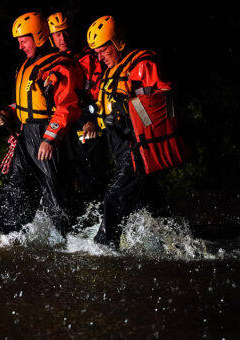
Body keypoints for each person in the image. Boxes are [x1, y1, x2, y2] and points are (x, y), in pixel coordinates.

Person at [83, 15, 175, 248]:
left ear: (118, 43)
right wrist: (90, 121)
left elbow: (165, 101)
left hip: (139, 146)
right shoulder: (111, 73)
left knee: (114, 197)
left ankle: (103, 248)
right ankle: (177, 242)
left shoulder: (142, 64)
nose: (99, 57)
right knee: (151, 206)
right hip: (120, 146)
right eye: (96, 53)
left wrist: (127, 108)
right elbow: (101, 107)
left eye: (103, 50)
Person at [0, 12, 84, 236]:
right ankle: (6, 235)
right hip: (27, 137)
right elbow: (27, 105)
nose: (20, 47)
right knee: (16, 187)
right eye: (19, 42)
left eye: (24, 41)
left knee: (57, 195)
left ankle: (74, 241)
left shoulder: (60, 66)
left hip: (49, 137)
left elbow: (66, 106)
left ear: (39, 36)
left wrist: (50, 138)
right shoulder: (26, 67)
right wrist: (7, 113)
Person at [47, 12, 108, 199]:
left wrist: (91, 120)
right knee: (64, 175)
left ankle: (99, 217)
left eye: (65, 32)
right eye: (58, 34)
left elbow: (98, 92)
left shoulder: (89, 58)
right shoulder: (50, 63)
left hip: (85, 120)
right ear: (51, 38)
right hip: (61, 124)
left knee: (91, 173)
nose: (63, 37)